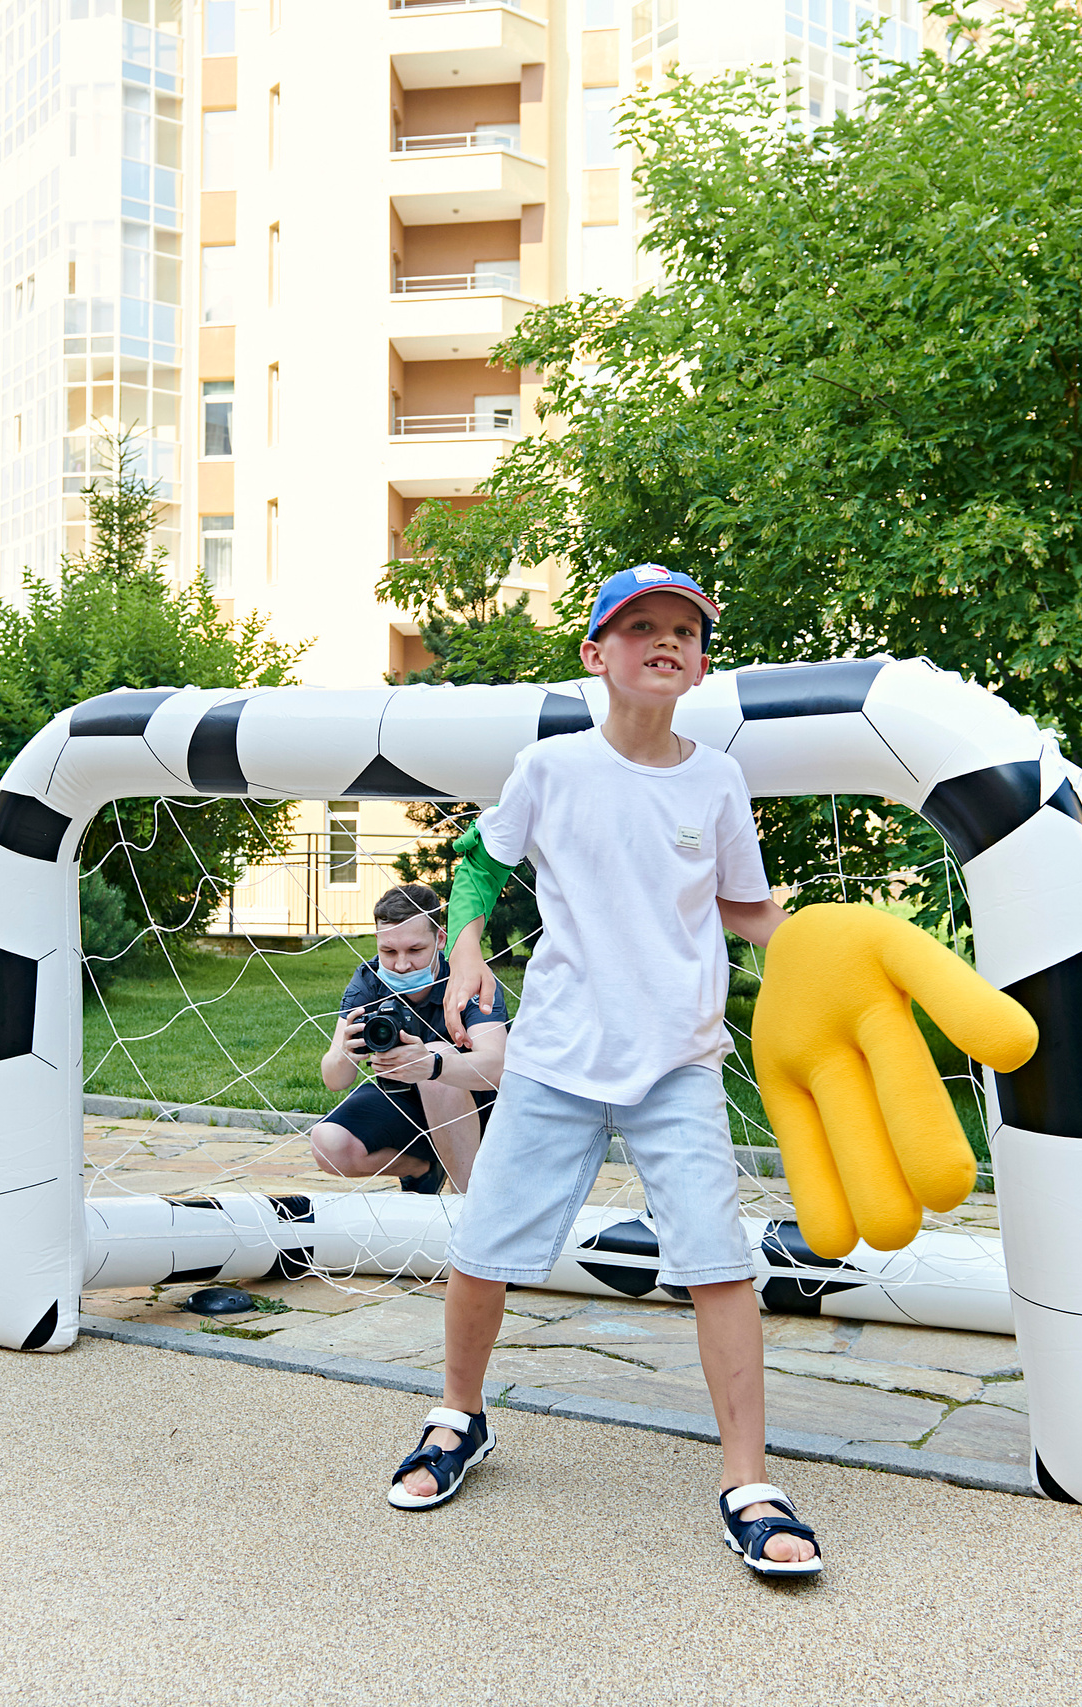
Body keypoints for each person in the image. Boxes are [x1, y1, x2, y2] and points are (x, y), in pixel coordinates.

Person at [381, 563, 822, 1578]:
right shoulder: (553, 769)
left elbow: (744, 909)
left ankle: (747, 1480)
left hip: (678, 1061)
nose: (664, 642)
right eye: (639, 628)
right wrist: (465, 949)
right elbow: (482, 864)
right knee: (484, 1246)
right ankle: (457, 1417)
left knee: (718, 1260)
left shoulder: (715, 780)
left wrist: (827, 946)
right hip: (559, 1059)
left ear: (702, 659)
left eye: (683, 630)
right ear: (595, 654)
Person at [309, 883, 508, 1194]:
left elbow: (498, 1068)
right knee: (328, 1144)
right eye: (389, 951)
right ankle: (423, 1168)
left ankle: (466, 1203)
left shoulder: (466, 978)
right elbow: (334, 1080)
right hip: (405, 1099)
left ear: (440, 939)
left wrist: (433, 1064)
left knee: (436, 1057)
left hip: (478, 1107)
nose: (401, 965)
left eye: (415, 950)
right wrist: (344, 1054)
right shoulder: (369, 981)